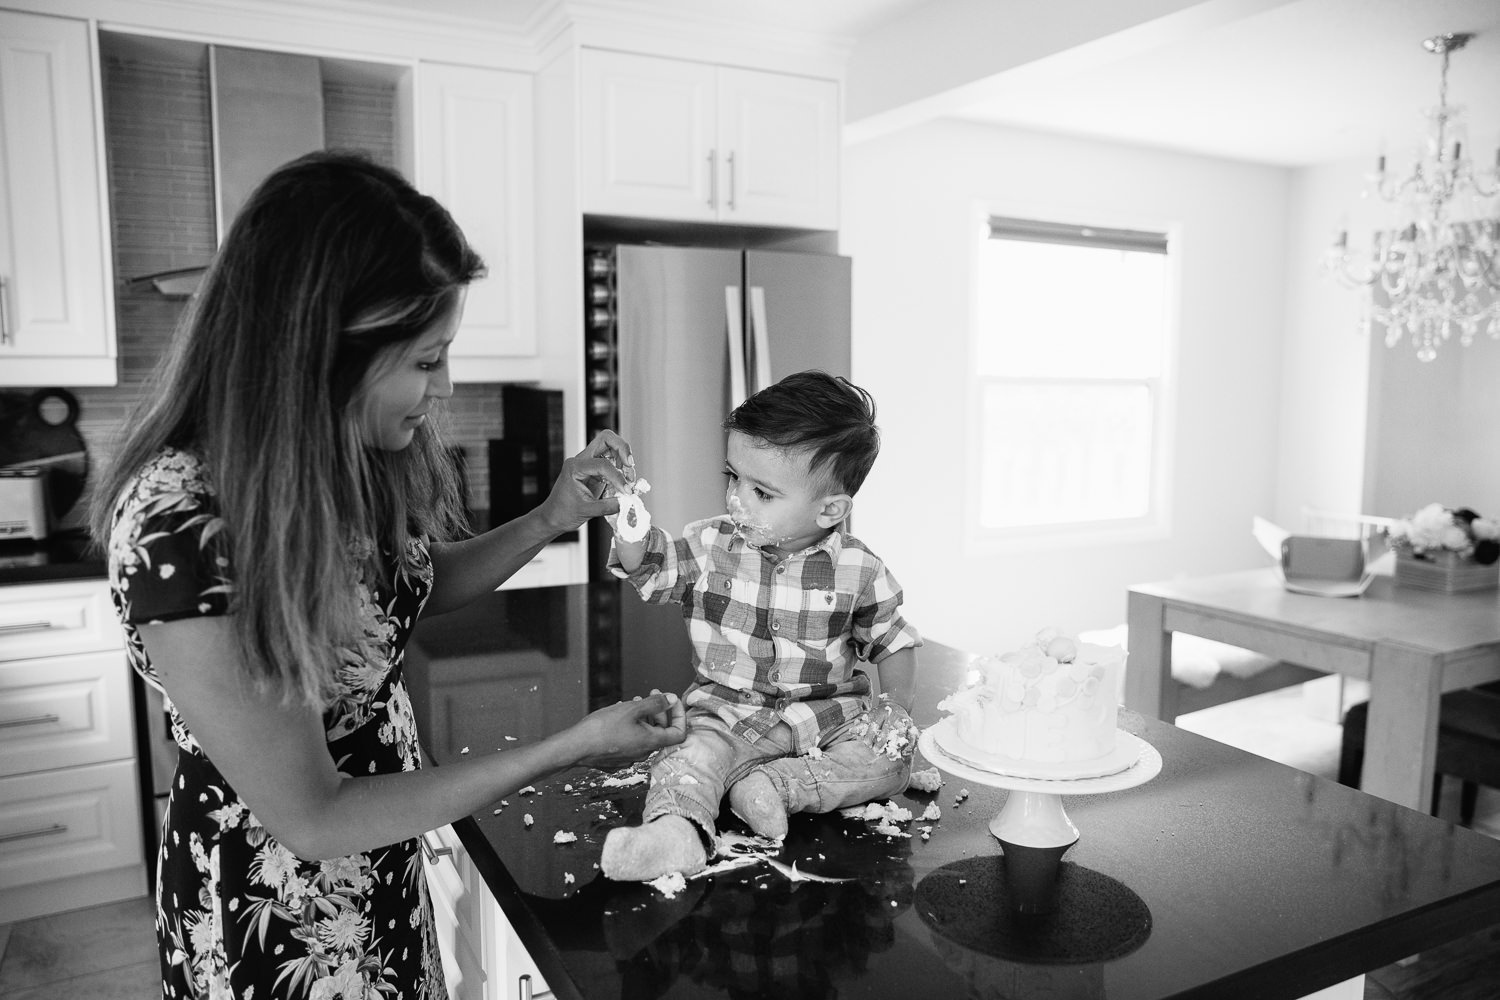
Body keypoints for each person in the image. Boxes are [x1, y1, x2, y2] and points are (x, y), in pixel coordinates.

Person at [88, 150, 685, 1000]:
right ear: (326, 350)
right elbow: (315, 816)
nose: (441, 387)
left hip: (384, 858)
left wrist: (553, 516)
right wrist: (571, 747)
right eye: (425, 359)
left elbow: (406, 590)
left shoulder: (340, 455)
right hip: (278, 910)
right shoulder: (183, 527)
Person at [599, 370, 922, 881]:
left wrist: (895, 712)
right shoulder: (709, 546)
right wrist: (630, 526)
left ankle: (777, 786)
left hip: (828, 721)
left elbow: (891, 639)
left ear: (830, 509)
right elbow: (653, 570)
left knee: (890, 760)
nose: (737, 500)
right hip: (727, 716)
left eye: (762, 493)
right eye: (733, 478)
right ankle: (675, 834)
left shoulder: (860, 570)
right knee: (687, 756)